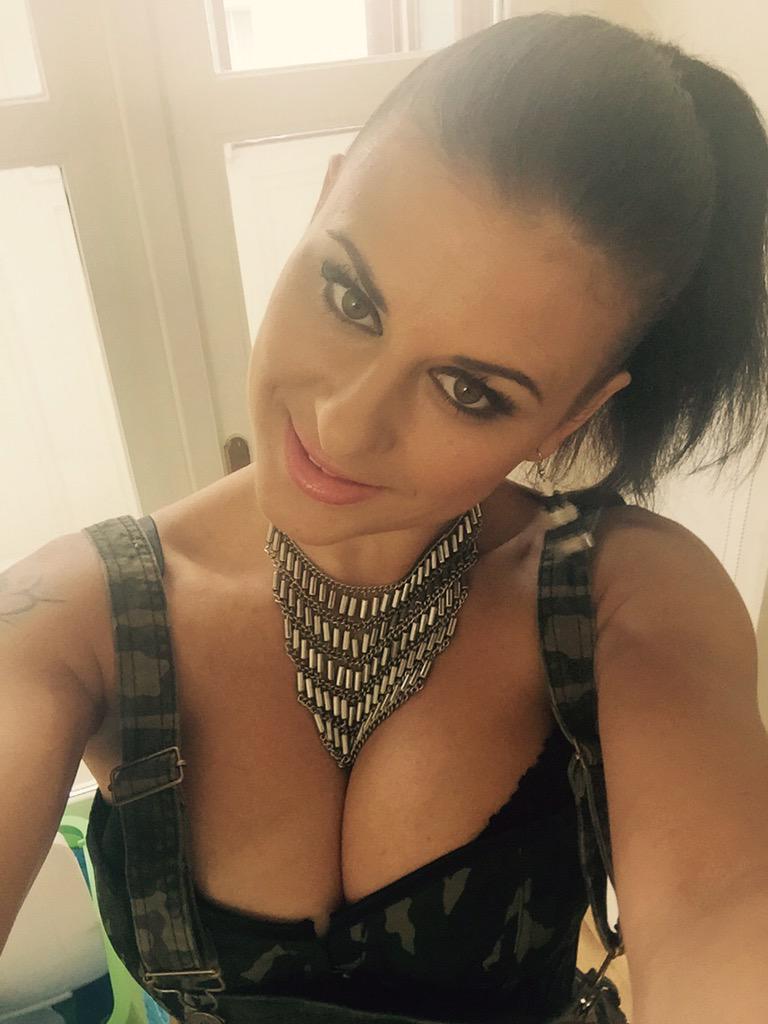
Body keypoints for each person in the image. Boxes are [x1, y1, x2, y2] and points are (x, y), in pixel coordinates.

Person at [2, 11, 768, 1024]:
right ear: (325, 199)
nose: (343, 423)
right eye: (349, 297)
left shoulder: (622, 592)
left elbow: (723, 906)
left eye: (469, 389)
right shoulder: (77, 617)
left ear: (571, 416)